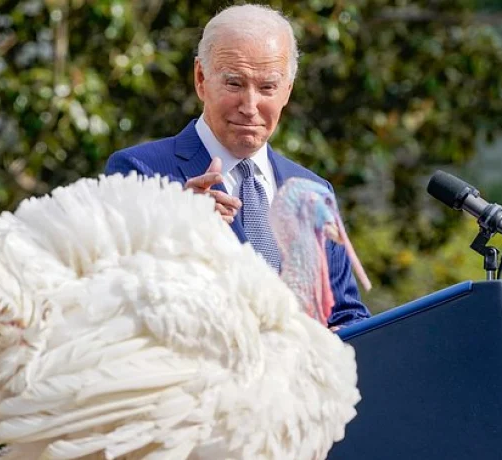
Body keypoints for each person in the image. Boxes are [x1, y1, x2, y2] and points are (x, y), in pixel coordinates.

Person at [104, 3, 370, 327]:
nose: (250, 106)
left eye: (267, 87)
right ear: (201, 78)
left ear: (287, 90)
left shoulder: (312, 193)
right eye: (234, 84)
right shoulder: (140, 173)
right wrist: (175, 229)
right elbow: (110, 300)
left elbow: (346, 316)